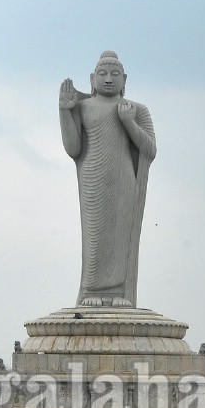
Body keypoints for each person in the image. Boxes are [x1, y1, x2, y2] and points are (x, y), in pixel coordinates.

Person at [59, 51, 157, 308]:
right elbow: (73, 148)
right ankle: (90, 290)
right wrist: (64, 112)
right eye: (102, 74)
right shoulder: (83, 107)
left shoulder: (136, 110)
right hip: (92, 176)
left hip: (124, 179)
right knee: (95, 236)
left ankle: (120, 293)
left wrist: (128, 122)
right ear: (92, 79)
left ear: (125, 79)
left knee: (120, 236)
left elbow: (150, 150)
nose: (109, 79)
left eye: (115, 75)